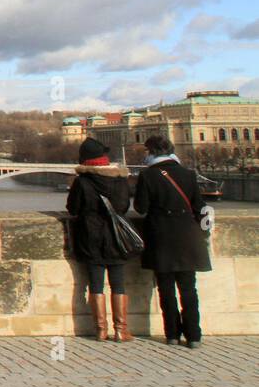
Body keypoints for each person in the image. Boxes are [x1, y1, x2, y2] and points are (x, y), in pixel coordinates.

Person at [134, 135, 211, 347]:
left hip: (161, 236)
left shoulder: (148, 175)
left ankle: (172, 334)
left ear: (151, 152)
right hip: (188, 235)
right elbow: (200, 206)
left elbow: (141, 207)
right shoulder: (188, 174)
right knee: (188, 288)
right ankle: (194, 335)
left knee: (166, 288)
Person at [66, 137, 134, 341]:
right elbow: (123, 207)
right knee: (118, 284)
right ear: (104, 159)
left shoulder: (82, 182)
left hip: (91, 236)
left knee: (95, 284)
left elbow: (73, 208)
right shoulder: (120, 180)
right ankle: (121, 330)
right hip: (116, 238)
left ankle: (101, 330)